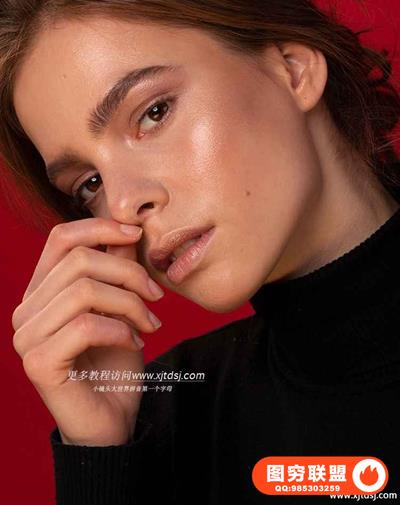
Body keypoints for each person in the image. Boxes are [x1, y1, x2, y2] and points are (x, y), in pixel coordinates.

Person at [1, 0, 400, 503]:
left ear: (293, 70)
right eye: (90, 183)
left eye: (153, 113)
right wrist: (99, 459)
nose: (122, 205)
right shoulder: (165, 418)